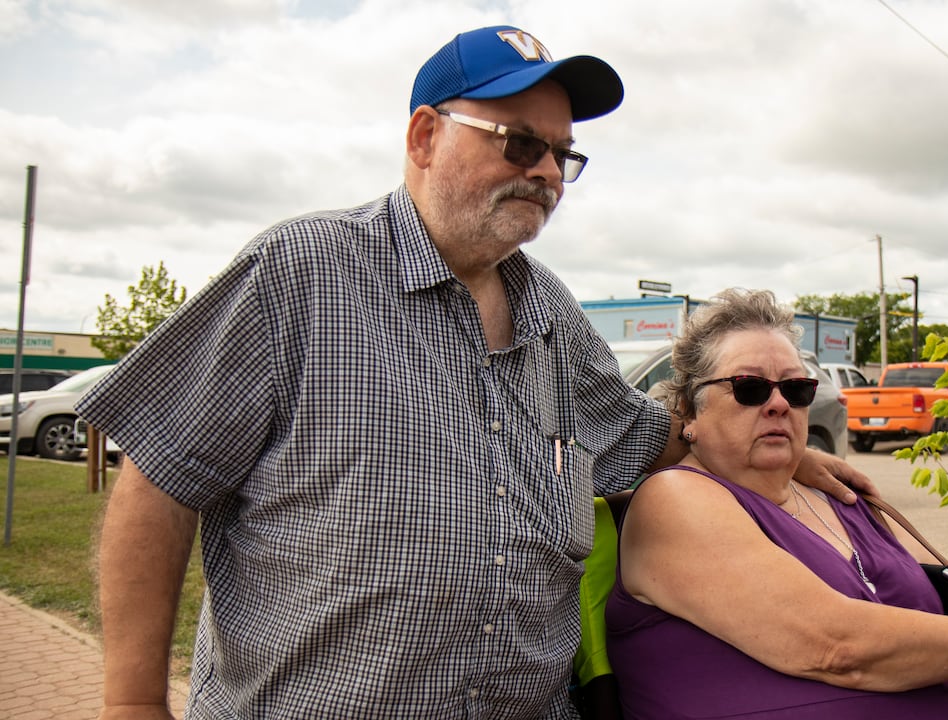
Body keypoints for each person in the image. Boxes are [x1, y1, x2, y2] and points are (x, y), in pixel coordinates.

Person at [78, 27, 872, 720]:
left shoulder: (551, 313)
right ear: (425, 137)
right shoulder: (300, 272)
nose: (549, 174)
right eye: (520, 143)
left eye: (564, 154)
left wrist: (783, 441)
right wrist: (133, 702)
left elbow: (647, 439)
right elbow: (159, 480)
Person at [606, 288, 948, 720]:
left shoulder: (834, 492)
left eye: (796, 389)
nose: (777, 403)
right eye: (749, 388)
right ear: (686, 412)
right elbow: (835, 645)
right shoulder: (676, 498)